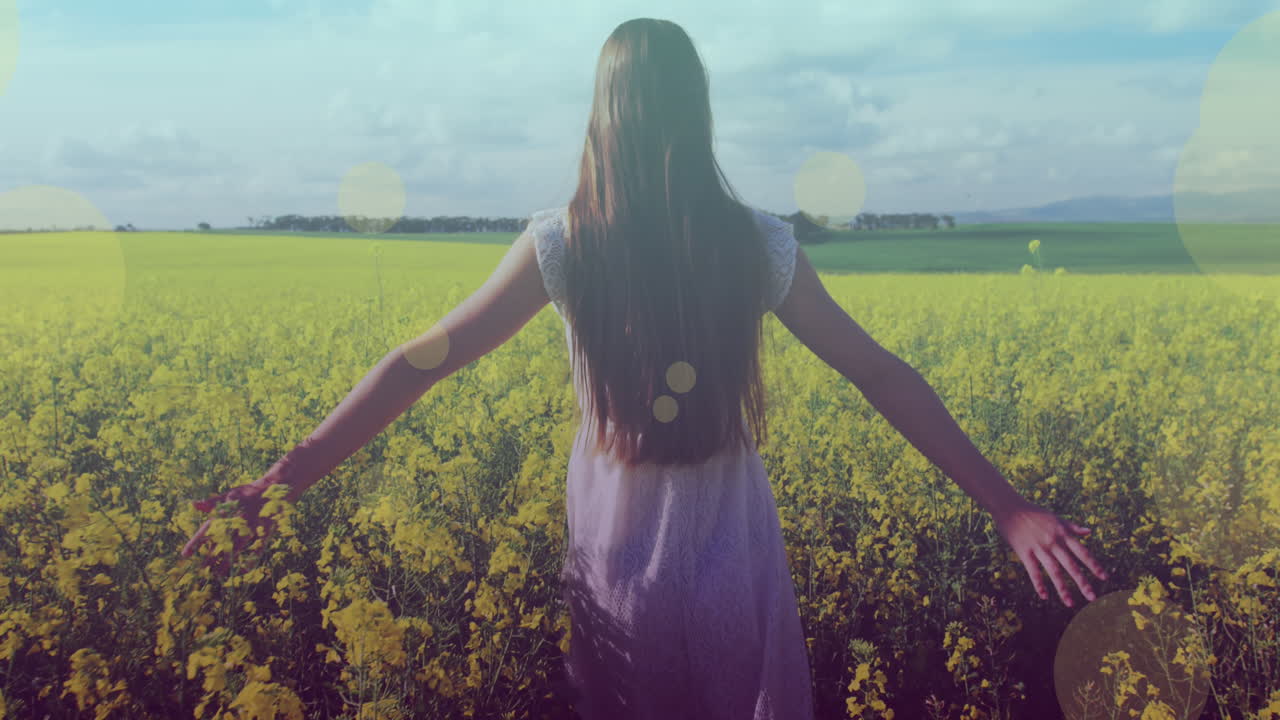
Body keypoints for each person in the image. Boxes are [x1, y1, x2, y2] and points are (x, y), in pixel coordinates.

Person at [181, 17, 1110, 720]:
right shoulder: (757, 245)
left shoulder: (567, 244)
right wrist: (1008, 506)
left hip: (618, 562)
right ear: (697, 115)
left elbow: (416, 364)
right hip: (732, 556)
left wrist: (284, 480)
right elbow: (880, 373)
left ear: (604, 117)